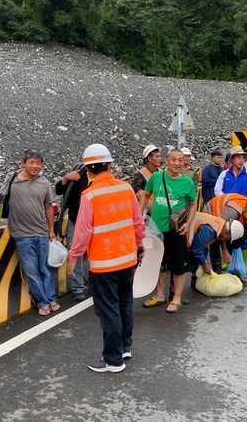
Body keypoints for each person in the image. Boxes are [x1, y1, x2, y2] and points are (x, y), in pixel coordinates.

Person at [67, 144, 146, 373]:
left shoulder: (89, 195)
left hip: (103, 264)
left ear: (88, 170)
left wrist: (73, 259)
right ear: (110, 165)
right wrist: (139, 246)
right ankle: (124, 347)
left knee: (108, 309)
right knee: (124, 303)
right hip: (127, 259)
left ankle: (113, 360)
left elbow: (82, 233)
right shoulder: (126, 189)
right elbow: (138, 223)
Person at [0, 149, 60, 316]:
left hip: (42, 232)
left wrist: (51, 231)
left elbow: (49, 207)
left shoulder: (44, 183)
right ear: (24, 163)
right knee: (31, 270)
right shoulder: (13, 179)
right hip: (21, 234)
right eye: (32, 162)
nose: (35, 166)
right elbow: (0, 195)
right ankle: (42, 302)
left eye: (38, 163)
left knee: (45, 268)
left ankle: (51, 299)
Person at [140, 149, 197, 313]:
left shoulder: (187, 182)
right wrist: (138, 216)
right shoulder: (156, 177)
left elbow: (193, 204)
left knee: (179, 264)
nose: (177, 163)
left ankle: (176, 298)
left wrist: (188, 222)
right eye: (173, 160)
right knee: (158, 263)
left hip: (176, 229)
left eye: (180, 160)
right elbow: (146, 194)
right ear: (167, 160)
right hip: (155, 229)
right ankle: (159, 295)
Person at [55, 162, 90, 301]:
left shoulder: (101, 176)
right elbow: (58, 190)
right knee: (76, 252)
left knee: (93, 254)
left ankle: (94, 284)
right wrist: (66, 178)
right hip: (76, 220)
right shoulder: (78, 173)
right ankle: (77, 288)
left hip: (94, 221)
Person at [204, 194, 247, 272]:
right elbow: (220, 230)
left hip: (228, 219)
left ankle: (234, 266)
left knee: (239, 236)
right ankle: (217, 271)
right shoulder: (233, 212)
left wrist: (238, 245)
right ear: (246, 209)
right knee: (215, 238)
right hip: (213, 212)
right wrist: (225, 250)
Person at [187, 213, 244, 278]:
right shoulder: (210, 230)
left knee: (196, 261)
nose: (225, 241)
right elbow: (196, 249)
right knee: (180, 269)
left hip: (187, 230)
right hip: (181, 233)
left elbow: (204, 245)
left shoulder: (220, 226)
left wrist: (205, 261)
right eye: (228, 239)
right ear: (225, 233)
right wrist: (204, 264)